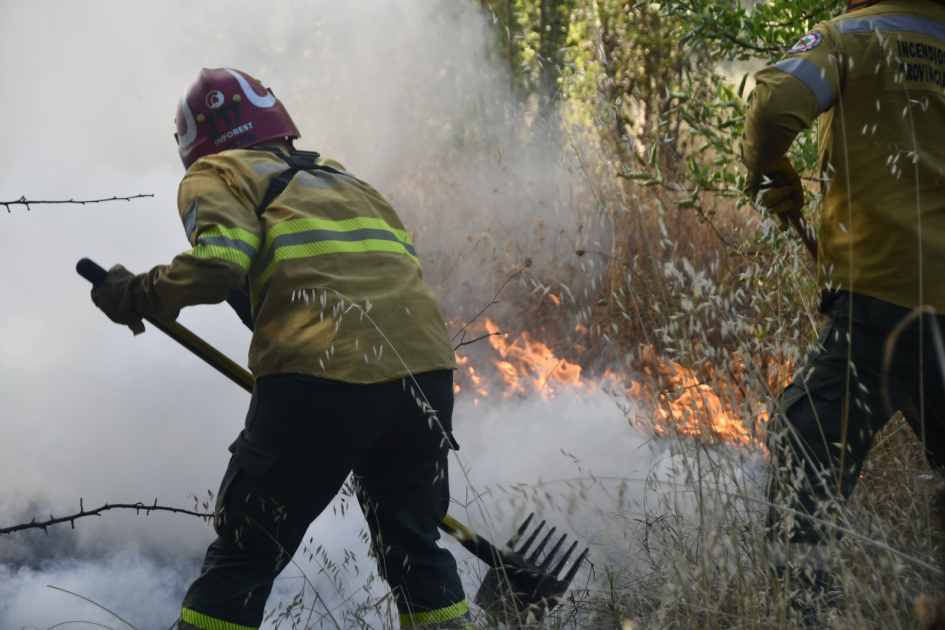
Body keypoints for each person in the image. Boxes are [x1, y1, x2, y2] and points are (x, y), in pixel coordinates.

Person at [90, 68, 472, 630]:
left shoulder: (217, 173)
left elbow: (220, 266)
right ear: (277, 121)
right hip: (427, 377)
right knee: (414, 547)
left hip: (321, 377)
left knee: (248, 548)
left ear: (195, 140)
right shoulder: (349, 183)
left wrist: (135, 294)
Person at [742, 0, 945, 606]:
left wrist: (769, 166)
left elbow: (773, 108)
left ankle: (804, 614)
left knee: (802, 443)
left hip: (887, 300)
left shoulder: (850, 36)